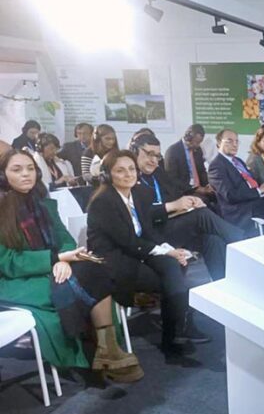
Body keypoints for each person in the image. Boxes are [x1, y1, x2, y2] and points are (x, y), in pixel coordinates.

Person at [0, 149, 143, 381]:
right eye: (17, 170)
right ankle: (105, 351)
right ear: (4, 175)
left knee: (94, 266)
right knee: (87, 277)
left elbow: (64, 238)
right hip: (14, 281)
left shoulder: (44, 204)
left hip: (49, 267)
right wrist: (56, 259)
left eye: (30, 169)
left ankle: (107, 350)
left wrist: (63, 257)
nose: (26, 174)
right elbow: (7, 262)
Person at [87, 150, 193, 358]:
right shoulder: (103, 202)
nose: (128, 175)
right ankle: (176, 332)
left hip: (137, 250)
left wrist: (170, 250)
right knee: (169, 277)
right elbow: (127, 241)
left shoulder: (140, 194)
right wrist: (166, 252)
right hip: (114, 259)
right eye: (120, 171)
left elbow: (149, 232)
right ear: (108, 175)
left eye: (131, 169)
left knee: (176, 265)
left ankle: (174, 332)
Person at [132, 133, 244, 283]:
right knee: (201, 215)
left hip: (169, 224)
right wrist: (172, 206)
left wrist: (190, 202)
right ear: (135, 152)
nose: (153, 161)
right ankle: (243, 244)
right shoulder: (131, 177)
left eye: (157, 156)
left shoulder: (157, 173)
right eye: (149, 154)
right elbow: (141, 215)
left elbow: (174, 194)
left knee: (212, 240)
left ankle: (223, 285)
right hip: (150, 234)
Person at [164, 124, 215, 203]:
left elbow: (201, 171)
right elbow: (172, 180)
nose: (197, 145)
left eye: (199, 143)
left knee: (217, 196)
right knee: (205, 201)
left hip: (199, 189)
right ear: (188, 137)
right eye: (196, 142)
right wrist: (194, 189)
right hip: (184, 192)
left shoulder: (198, 150)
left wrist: (207, 185)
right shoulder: (172, 151)